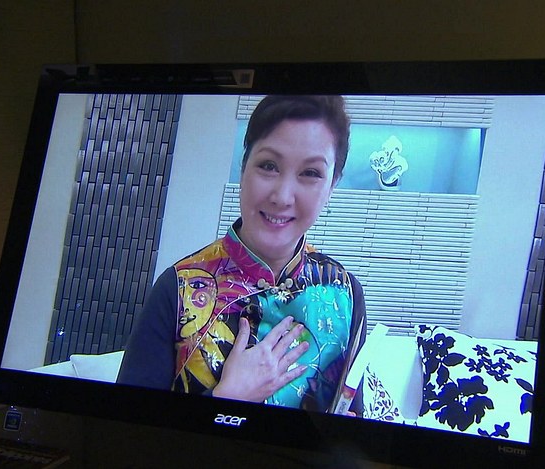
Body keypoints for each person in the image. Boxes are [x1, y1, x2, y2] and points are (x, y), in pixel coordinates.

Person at [117, 95, 366, 414]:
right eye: (269, 166)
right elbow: (126, 429)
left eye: (311, 173)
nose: (282, 197)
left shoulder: (344, 293)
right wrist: (226, 399)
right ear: (244, 166)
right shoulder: (178, 289)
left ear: (332, 186)